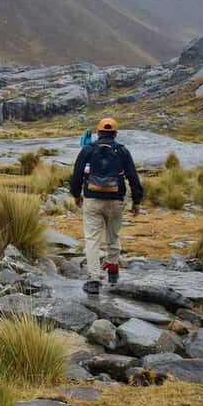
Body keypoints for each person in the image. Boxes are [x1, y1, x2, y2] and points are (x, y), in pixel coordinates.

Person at [69, 117, 143, 295]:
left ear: (98, 132)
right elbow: (133, 177)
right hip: (116, 200)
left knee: (92, 239)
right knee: (113, 236)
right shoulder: (122, 151)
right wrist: (137, 201)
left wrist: (76, 195)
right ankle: (113, 273)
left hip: (92, 200)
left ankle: (94, 280)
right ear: (115, 134)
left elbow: (76, 175)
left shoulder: (88, 149)